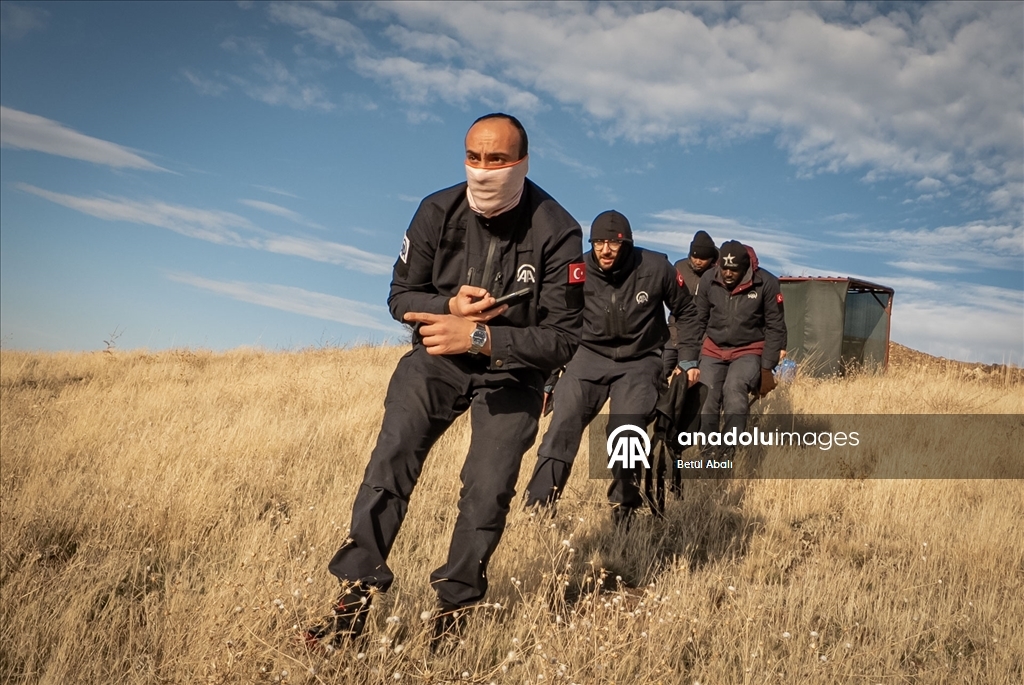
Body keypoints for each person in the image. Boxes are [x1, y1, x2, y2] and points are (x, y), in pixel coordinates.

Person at [306, 113, 584, 649]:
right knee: (392, 458)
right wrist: (448, 306)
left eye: (498, 159)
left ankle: (454, 612)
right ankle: (352, 602)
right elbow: (399, 297)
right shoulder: (436, 210)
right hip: (437, 357)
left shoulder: (559, 231)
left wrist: (480, 336)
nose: (483, 170)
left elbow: (564, 338)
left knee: (488, 487)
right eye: (474, 157)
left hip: (514, 372)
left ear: (523, 162)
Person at [523, 210, 701, 525]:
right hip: (587, 355)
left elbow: (687, 311)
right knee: (563, 423)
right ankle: (538, 507)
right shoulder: (577, 271)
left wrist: (687, 359)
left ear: (627, 243)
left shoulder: (656, 268)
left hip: (639, 359)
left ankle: (625, 512)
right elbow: (558, 324)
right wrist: (549, 379)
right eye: (598, 243)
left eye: (614, 243)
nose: (605, 250)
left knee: (627, 432)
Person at [695, 240, 787, 451]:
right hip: (713, 347)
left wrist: (766, 369)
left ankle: (727, 452)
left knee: (734, 391)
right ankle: (708, 455)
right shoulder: (708, 279)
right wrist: (690, 359)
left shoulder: (766, 283)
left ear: (745, 268)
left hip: (749, 349)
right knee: (706, 399)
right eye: (724, 268)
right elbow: (698, 320)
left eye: (734, 270)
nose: (728, 274)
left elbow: (776, 327)